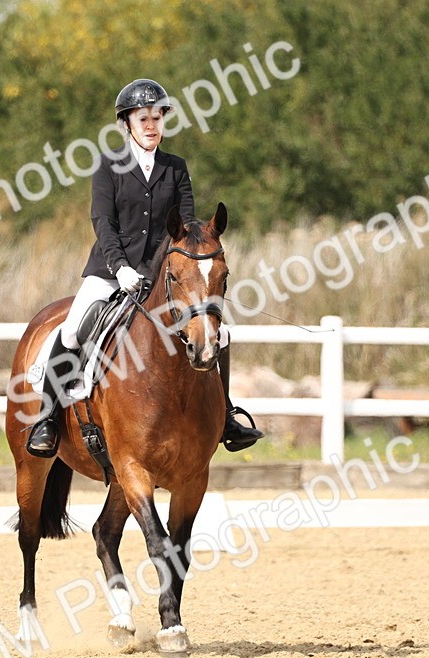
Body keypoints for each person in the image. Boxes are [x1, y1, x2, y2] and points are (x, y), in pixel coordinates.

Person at [25, 78, 263, 457]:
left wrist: (186, 267)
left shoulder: (175, 168)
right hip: (110, 272)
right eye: (143, 119)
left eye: (157, 117)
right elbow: (103, 222)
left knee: (220, 334)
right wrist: (120, 267)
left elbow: (186, 227)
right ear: (127, 124)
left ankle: (227, 415)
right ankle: (47, 418)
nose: (151, 125)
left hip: (164, 277)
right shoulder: (108, 166)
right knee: (72, 329)